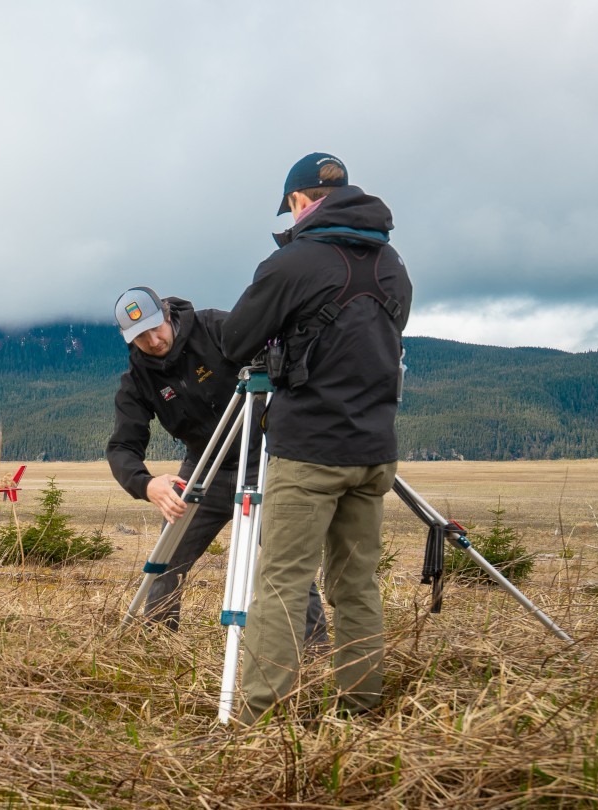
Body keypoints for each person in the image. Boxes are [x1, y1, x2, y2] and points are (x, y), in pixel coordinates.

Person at [221, 153, 413, 723]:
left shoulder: (293, 263)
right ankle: (360, 706)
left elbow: (235, 340)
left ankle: (260, 718)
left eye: (291, 206)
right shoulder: (393, 263)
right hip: (375, 451)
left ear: (301, 202)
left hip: (308, 453)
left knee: (282, 581)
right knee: (356, 584)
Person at [107, 286, 328, 642]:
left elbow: (283, 355)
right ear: (128, 339)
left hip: (265, 463)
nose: (153, 339)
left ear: (166, 313)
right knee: (166, 563)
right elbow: (121, 446)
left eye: (155, 327)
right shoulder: (138, 381)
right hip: (202, 470)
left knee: (286, 564)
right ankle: (158, 649)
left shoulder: (216, 328)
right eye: (140, 337)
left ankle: (314, 655)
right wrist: (145, 484)